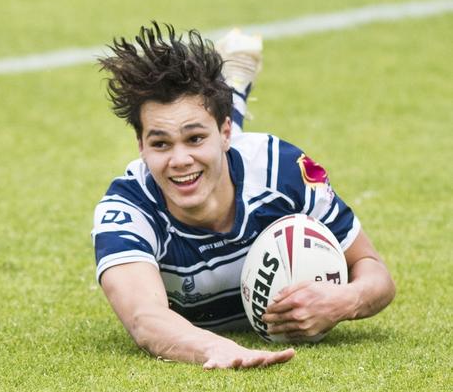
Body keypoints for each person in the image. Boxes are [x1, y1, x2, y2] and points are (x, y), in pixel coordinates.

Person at [91, 22, 395, 370]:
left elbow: (376, 273)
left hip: (238, 151)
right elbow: (146, 319)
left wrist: (345, 300)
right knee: (199, 158)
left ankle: (231, 87)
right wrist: (214, 348)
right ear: (140, 146)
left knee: (208, 151)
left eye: (194, 139)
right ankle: (232, 82)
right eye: (159, 143)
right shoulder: (127, 209)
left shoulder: (282, 172)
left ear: (223, 133)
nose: (177, 160)